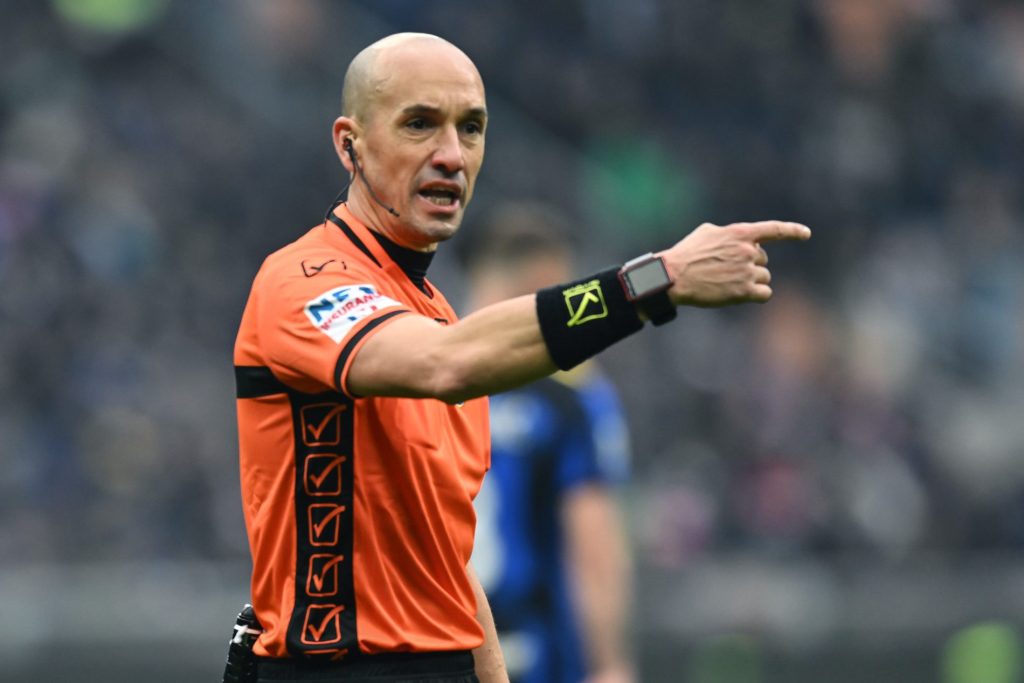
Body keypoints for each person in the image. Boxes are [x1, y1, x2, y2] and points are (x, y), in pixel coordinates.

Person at [232, 31, 810, 683]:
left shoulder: (436, 315)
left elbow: (446, 559)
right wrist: (658, 279)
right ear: (350, 145)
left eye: (471, 128)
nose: (451, 155)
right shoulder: (304, 281)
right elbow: (445, 364)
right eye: (419, 124)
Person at [464, 203, 636, 683]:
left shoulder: (417, 374)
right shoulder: (573, 394)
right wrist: (609, 662)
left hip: (435, 648)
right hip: (537, 650)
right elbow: (593, 543)